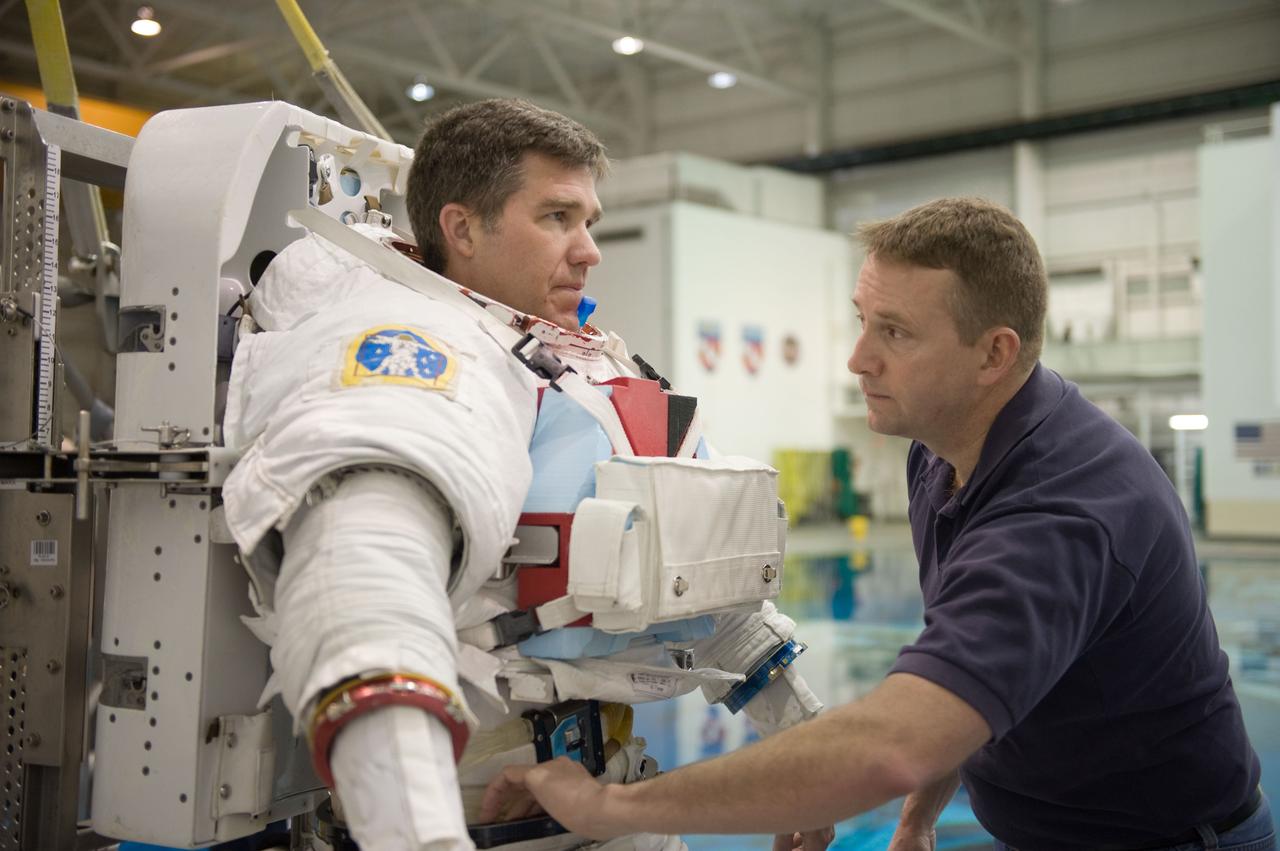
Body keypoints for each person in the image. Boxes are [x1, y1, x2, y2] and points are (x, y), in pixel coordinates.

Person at [482, 197, 1274, 851]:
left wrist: (610, 807)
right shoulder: (943, 452)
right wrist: (920, 816)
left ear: (994, 354)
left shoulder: (1064, 510)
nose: (858, 358)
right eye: (862, 320)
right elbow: (958, 668)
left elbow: (894, 741)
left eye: (894, 331)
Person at [220, 98, 824, 851]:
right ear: (462, 229)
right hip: (472, 823)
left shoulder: (568, 361)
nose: (589, 250)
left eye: (589, 221)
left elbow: (695, 578)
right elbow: (365, 596)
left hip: (613, 805)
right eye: (556, 218)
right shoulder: (418, 361)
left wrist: (807, 752)